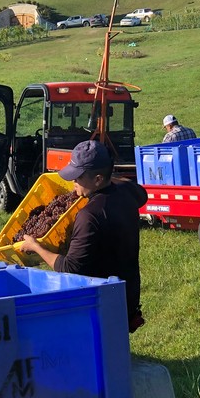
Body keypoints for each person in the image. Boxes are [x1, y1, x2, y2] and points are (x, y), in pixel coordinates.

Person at [19, 140, 148, 332]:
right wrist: (108, 179)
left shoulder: (89, 216)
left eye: (78, 178)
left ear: (97, 179)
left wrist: (36, 247)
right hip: (125, 295)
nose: (73, 183)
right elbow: (141, 193)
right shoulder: (127, 192)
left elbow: (70, 267)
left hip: (98, 304)